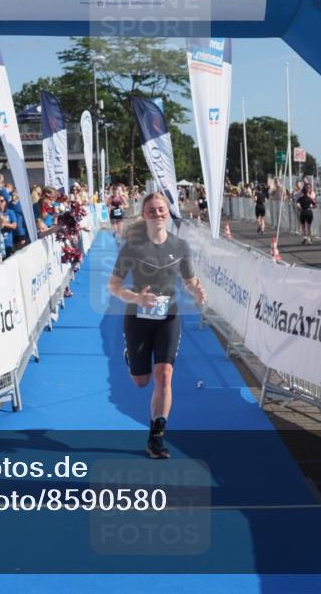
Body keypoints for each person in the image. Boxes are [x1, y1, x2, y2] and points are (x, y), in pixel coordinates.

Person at [108, 193, 206, 459]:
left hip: (169, 317)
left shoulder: (180, 245)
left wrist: (196, 291)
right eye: (151, 210)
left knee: (164, 376)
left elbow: (189, 281)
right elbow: (114, 286)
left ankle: (156, 438)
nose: (157, 214)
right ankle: (132, 357)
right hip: (137, 319)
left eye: (161, 209)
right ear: (144, 214)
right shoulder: (132, 247)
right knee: (141, 381)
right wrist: (136, 298)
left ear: (168, 212)